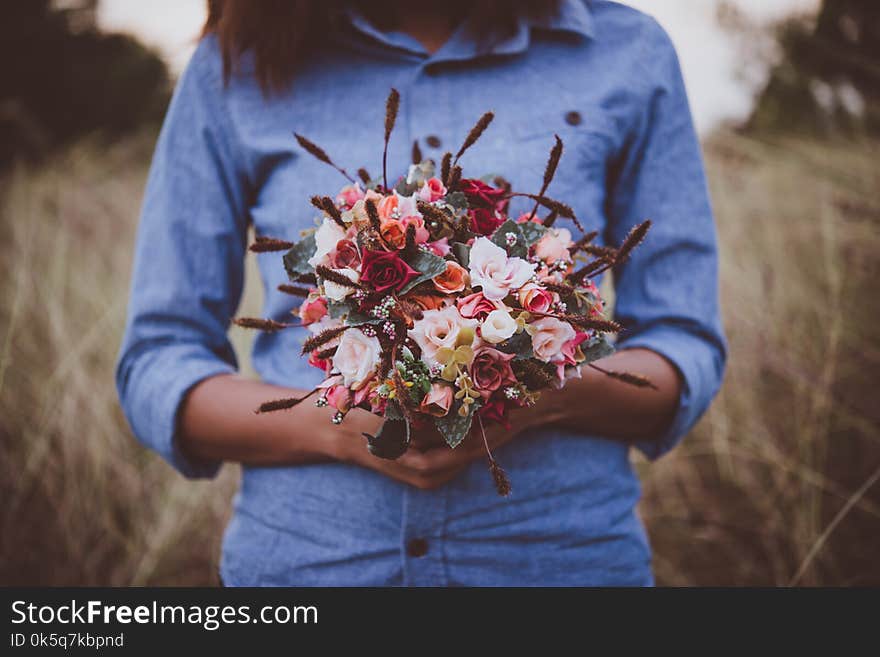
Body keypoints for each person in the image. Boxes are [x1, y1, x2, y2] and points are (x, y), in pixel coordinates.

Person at [116, 0, 726, 586]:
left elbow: (683, 346)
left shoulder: (628, 52)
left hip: (558, 565)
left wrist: (537, 393)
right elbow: (159, 360)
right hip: (311, 569)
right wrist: (333, 427)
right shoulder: (235, 65)